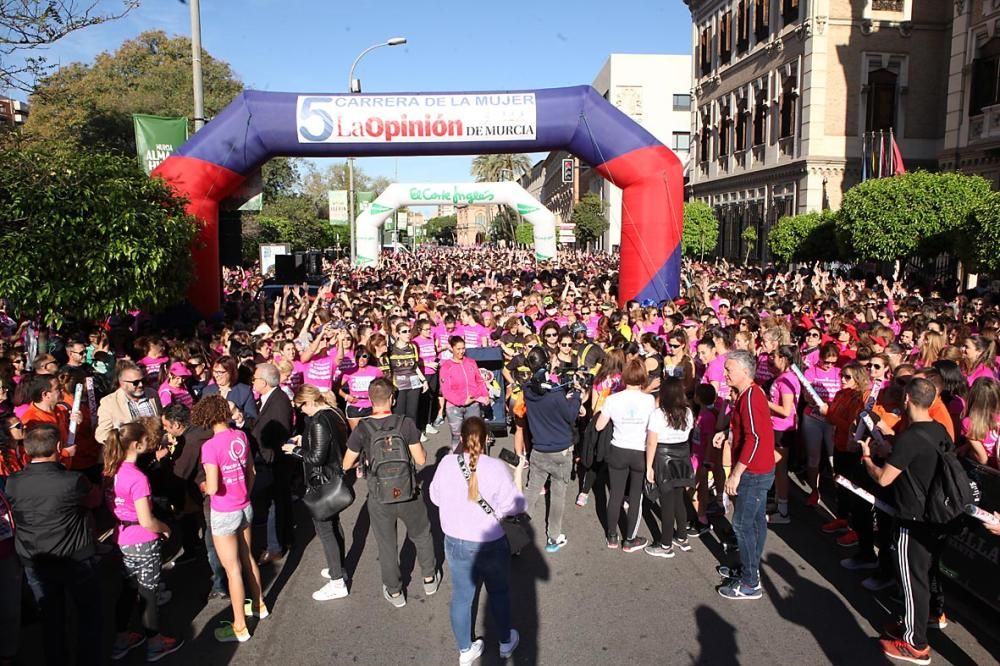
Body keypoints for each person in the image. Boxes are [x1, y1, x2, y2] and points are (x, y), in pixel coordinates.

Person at [859, 378, 949, 665]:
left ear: (908, 399)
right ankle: (913, 627)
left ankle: (915, 643)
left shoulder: (912, 436)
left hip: (913, 518)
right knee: (919, 577)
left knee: (912, 581)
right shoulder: (939, 430)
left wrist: (868, 461)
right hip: (932, 517)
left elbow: (885, 478)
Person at [5, 423, 103, 666]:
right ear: (59, 448)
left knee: (51, 619)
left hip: (35, 560)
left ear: (27, 450)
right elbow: (94, 500)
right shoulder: (72, 480)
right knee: (89, 615)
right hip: (75, 558)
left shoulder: (13, 482)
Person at [430, 416, 524, 665]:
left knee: (461, 597)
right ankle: (505, 642)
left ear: (461, 439)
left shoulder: (446, 463)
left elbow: (435, 497)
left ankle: (465, 650)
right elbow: (515, 508)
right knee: (499, 592)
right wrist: (517, 476)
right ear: (486, 440)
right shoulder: (496, 467)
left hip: (455, 541)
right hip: (491, 542)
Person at [341, 378, 440, 607]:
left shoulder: (363, 428)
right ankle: (428, 578)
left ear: (370, 400)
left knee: (386, 543)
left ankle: (395, 591)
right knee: (422, 534)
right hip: (408, 490)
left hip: (379, 495)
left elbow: (346, 464)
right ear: (392, 399)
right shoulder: (405, 423)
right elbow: (421, 459)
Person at [104, 422, 184, 662]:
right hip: (143, 539)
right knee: (148, 593)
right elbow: (147, 520)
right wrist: (165, 528)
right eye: (146, 441)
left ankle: (121, 639)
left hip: (122, 537)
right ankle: (155, 643)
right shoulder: (138, 478)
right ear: (137, 445)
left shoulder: (110, 470)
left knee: (128, 589)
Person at [192, 395, 265, 644]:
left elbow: (212, 487)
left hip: (224, 511)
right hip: (245, 504)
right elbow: (251, 471)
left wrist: (202, 486)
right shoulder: (240, 436)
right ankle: (259, 604)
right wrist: (245, 491)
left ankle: (239, 626)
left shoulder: (210, 446)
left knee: (232, 570)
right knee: (248, 557)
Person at [714, 350, 775, 600]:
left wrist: (736, 473)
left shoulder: (751, 396)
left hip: (753, 471)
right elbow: (746, 430)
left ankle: (750, 582)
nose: (724, 373)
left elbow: (755, 437)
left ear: (744, 371)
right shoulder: (746, 395)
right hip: (757, 469)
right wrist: (726, 434)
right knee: (756, 521)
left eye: (729, 369)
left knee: (742, 524)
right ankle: (750, 568)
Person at [283, 385, 352, 601]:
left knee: (325, 529)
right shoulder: (334, 413)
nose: (301, 411)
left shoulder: (319, 421)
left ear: (310, 401)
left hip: (323, 481)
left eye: (301, 406)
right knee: (334, 524)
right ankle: (338, 567)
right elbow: (329, 443)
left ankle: (337, 581)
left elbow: (315, 458)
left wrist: (294, 450)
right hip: (335, 477)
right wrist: (304, 440)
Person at [522, 346, 583, 553]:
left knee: (530, 493)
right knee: (557, 496)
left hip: (538, 450)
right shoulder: (555, 394)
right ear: (546, 364)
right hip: (560, 451)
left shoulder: (528, 389)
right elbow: (570, 415)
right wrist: (575, 395)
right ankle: (553, 537)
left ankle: (516, 538)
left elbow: (541, 388)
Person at [162, 403, 224, 597]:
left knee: (212, 541)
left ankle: (221, 584)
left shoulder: (190, 442)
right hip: (220, 489)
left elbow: (180, 474)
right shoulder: (203, 430)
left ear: (177, 424)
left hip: (207, 495)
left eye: (166, 426)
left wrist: (163, 461)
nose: (165, 430)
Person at [595, 357, 656, 552]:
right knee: (635, 496)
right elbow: (652, 429)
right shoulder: (649, 400)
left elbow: (599, 426)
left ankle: (612, 535)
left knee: (615, 494)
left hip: (618, 449)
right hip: (640, 451)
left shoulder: (613, 399)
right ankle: (629, 539)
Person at [242, 363, 293, 565]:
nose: (253, 382)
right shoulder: (271, 398)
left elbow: (279, 433)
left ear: (263, 382)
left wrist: (264, 451)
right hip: (271, 460)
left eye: (254, 378)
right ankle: (285, 539)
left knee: (275, 504)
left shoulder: (278, 402)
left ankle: (275, 547)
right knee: (279, 502)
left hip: (273, 461)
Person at [644, 377, 695, 558]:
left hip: (663, 456)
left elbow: (651, 442)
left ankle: (665, 544)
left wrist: (648, 466)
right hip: (682, 455)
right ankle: (682, 536)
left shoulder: (658, 414)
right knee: (679, 499)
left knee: (666, 503)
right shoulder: (688, 412)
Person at [766, 345, 801, 525]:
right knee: (777, 469)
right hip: (777, 427)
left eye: (775, 356)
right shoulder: (781, 377)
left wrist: (765, 402)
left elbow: (786, 410)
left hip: (782, 429)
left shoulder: (786, 380)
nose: (772, 360)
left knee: (780, 469)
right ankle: (779, 503)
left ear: (784, 359)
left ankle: (783, 511)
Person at [439, 336, 490, 450]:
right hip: (454, 408)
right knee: (457, 437)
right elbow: (446, 391)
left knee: (475, 435)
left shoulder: (471, 362)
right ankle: (458, 463)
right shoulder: (446, 366)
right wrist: (462, 401)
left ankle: (476, 461)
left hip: (473, 404)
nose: (461, 351)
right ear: (452, 349)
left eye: (463, 348)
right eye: (458, 349)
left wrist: (485, 395)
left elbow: (479, 380)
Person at [96, 362, 162, 444]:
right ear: (123, 384)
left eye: (143, 380)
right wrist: (123, 440)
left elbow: (160, 420)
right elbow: (101, 434)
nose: (141, 385)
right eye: (136, 382)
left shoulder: (152, 394)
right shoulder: (109, 402)